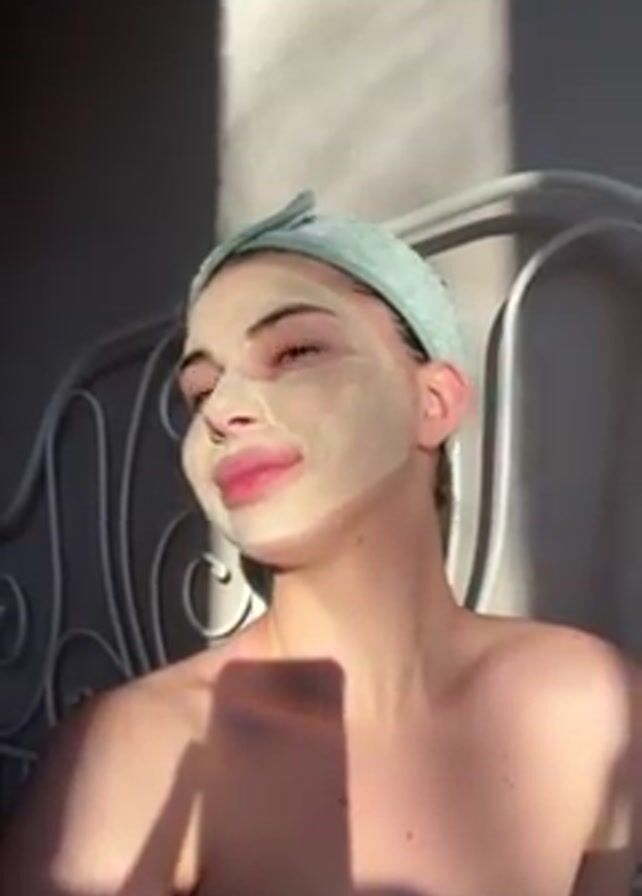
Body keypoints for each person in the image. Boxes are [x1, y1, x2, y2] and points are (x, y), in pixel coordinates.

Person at [1, 192, 640, 896]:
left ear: (432, 402)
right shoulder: (139, 750)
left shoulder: (595, 705)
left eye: (296, 351)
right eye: (200, 391)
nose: (222, 411)